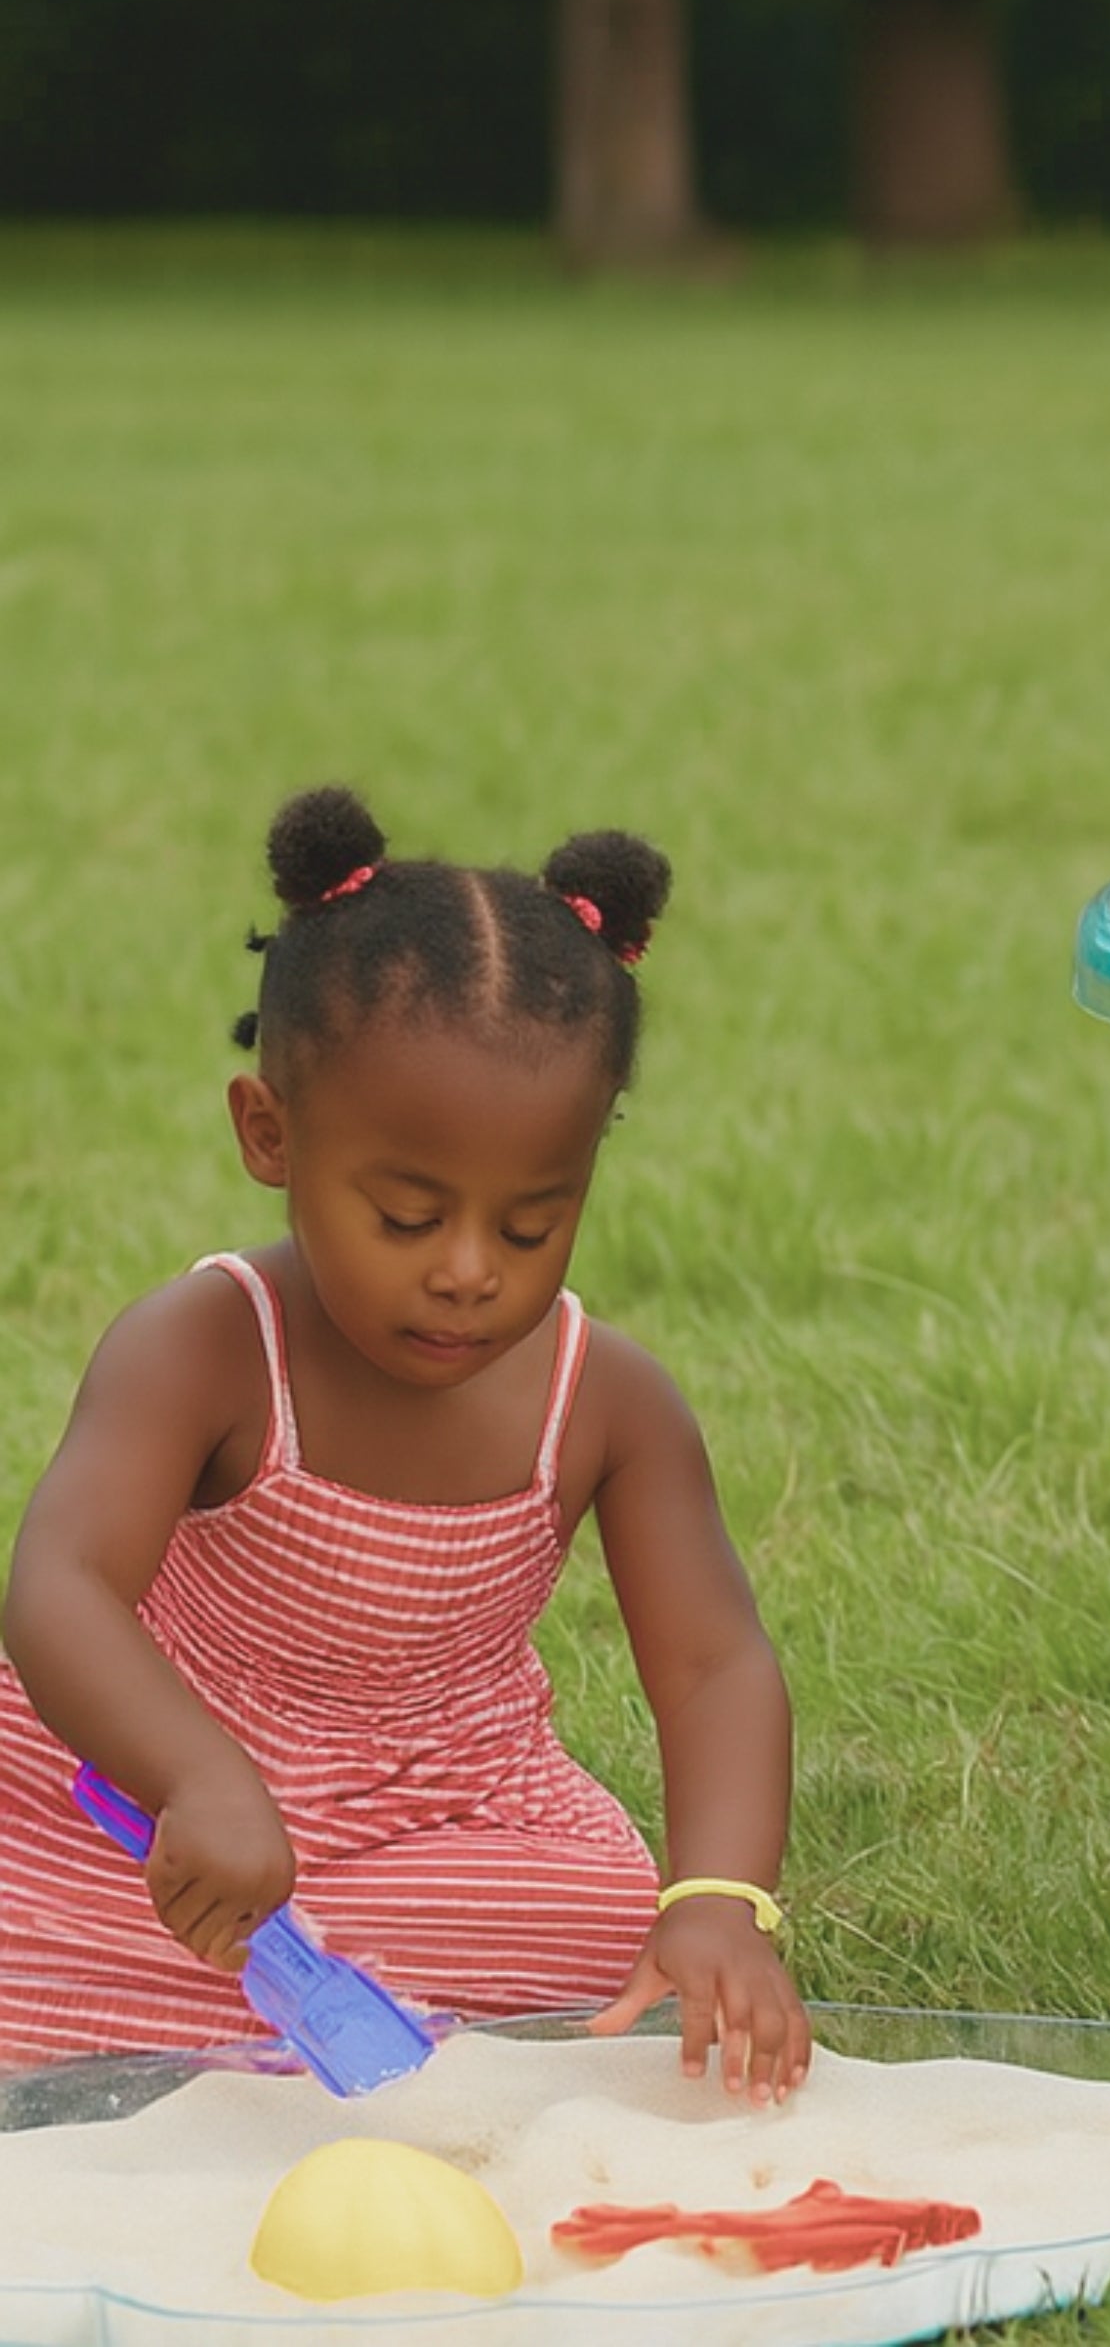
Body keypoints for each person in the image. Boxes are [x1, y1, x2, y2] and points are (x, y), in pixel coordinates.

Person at [0, 787, 810, 2097]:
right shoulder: (207, 1345)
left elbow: (716, 1665)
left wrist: (721, 1896)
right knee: (47, 1926)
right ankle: (212, 1999)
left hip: (448, 1814)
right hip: (160, 1799)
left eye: (532, 1226)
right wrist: (197, 1778)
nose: (470, 1274)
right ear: (273, 1137)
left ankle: (284, 2008)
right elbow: (59, 1588)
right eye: (407, 1217)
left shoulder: (610, 1404)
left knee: (611, 1930)